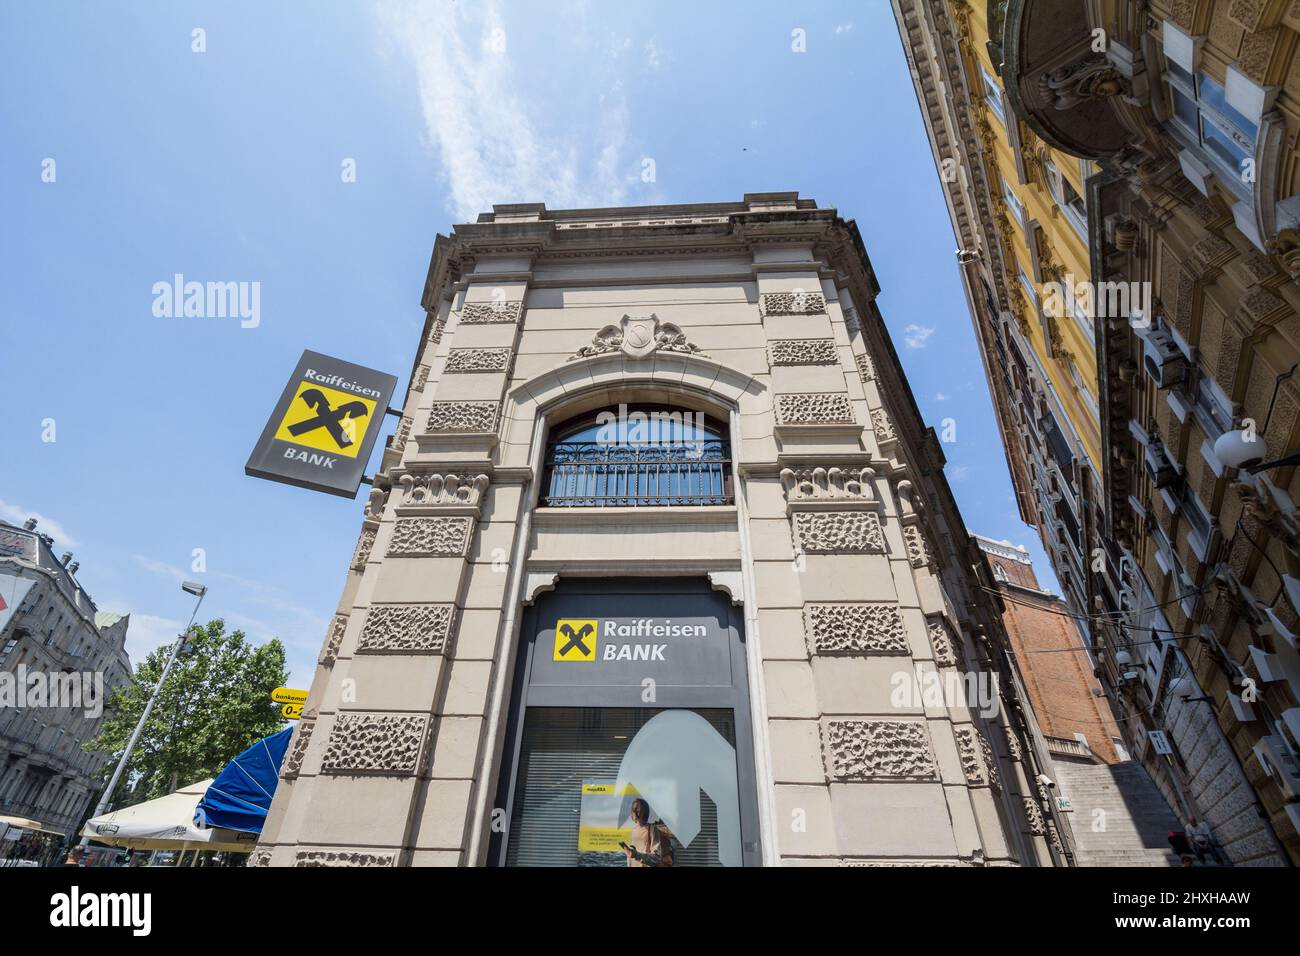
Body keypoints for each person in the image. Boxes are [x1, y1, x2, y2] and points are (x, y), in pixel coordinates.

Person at [621, 798, 674, 868]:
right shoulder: (633, 831)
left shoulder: (652, 829)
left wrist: (636, 855)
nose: (634, 811)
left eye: (637, 808)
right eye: (633, 808)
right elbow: (631, 859)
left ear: (645, 811)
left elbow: (656, 858)